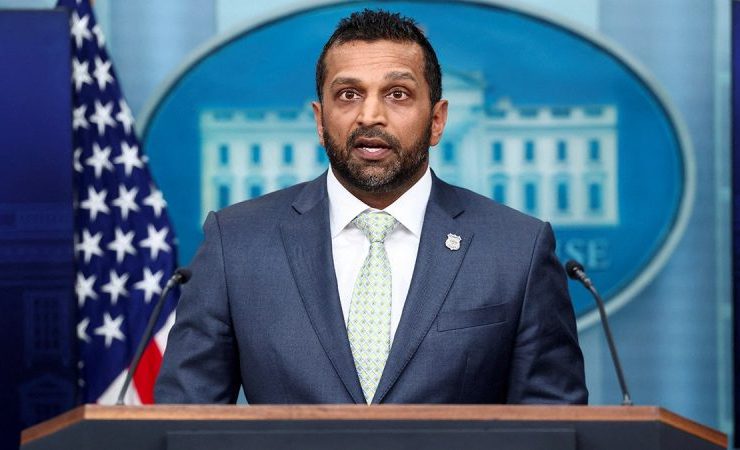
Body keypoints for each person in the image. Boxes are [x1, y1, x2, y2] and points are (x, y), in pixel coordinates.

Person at [155, 9, 587, 405]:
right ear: (319, 121)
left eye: (398, 94)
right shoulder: (236, 243)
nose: (370, 116)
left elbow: (553, 425)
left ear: (437, 120)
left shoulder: (517, 248)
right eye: (348, 95)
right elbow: (186, 421)